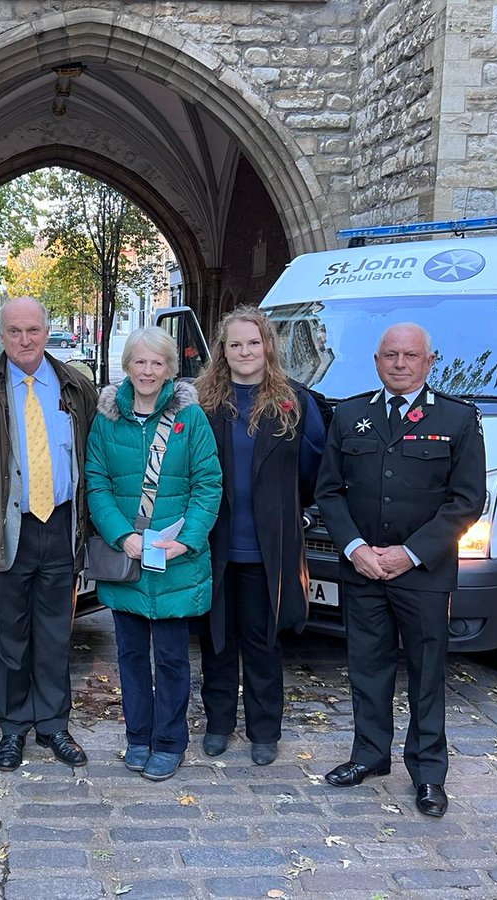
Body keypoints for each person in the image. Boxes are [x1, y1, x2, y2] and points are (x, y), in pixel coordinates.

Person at [314, 322, 485, 818]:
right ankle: (369, 756)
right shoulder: (349, 416)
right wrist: (353, 548)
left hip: (423, 573)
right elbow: (329, 491)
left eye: (410, 355)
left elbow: (467, 501)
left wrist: (408, 554)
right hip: (363, 569)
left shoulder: (457, 419)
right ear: (376, 360)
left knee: (427, 674)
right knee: (367, 668)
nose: (400, 363)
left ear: (429, 362)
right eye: (390, 355)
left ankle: (429, 775)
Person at [0, 296, 98, 771]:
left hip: (59, 522)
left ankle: (54, 725)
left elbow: (91, 461)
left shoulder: (75, 385)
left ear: (47, 330)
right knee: (8, 634)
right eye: (14, 331)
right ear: (1, 334)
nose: (24, 340)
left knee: (56, 633)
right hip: (4, 527)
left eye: (33, 330)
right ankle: (14, 726)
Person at [84, 327, 221, 781]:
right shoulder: (107, 419)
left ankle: (169, 741)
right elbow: (97, 483)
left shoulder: (191, 419)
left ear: (169, 369)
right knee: (130, 658)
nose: (148, 371)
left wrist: (188, 539)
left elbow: (207, 484)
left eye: (157, 363)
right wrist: (123, 535)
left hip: (174, 560)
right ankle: (137, 737)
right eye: (140, 362)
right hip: (128, 561)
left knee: (172, 658)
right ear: (127, 365)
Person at [192, 306, 327, 765]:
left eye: (253, 342)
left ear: (267, 345)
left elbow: (313, 473)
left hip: (269, 547)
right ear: (222, 351)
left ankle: (265, 730)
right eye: (235, 344)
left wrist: (283, 513)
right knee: (217, 640)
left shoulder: (297, 402)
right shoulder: (203, 403)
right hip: (216, 545)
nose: (245, 351)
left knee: (263, 642)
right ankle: (218, 723)